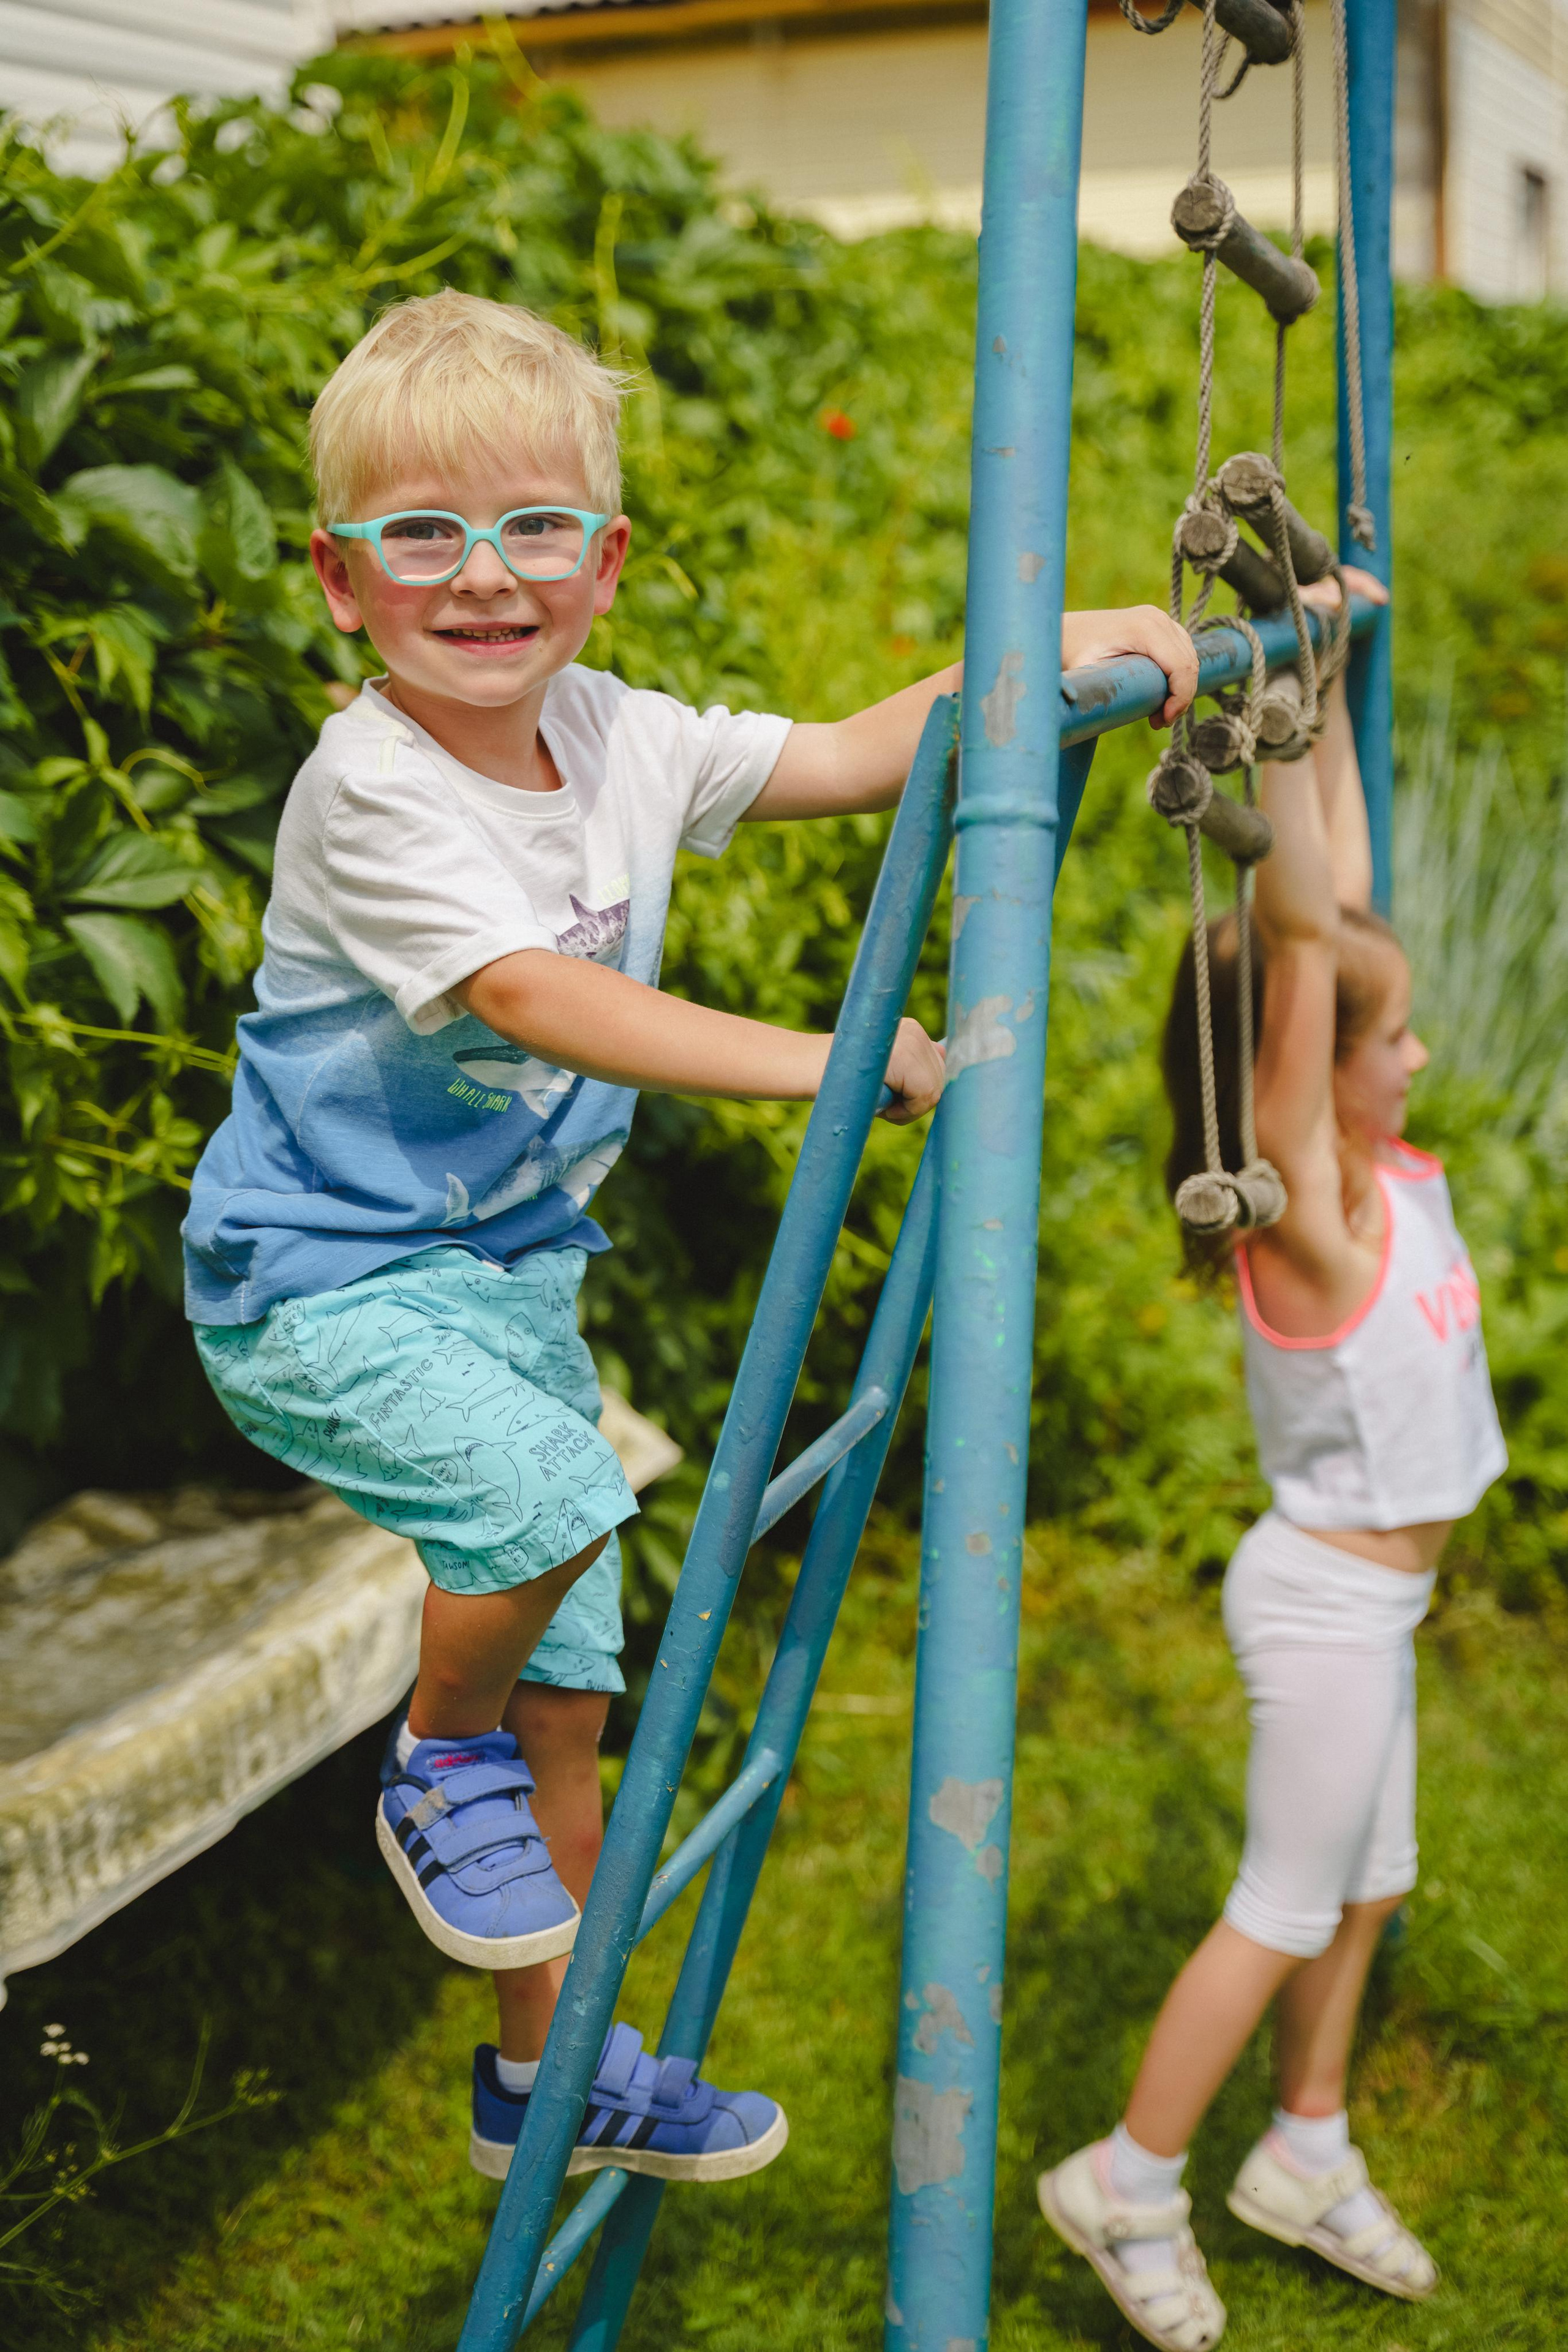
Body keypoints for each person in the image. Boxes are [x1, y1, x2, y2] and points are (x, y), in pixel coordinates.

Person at [182, 288, 1199, 2187]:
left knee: (576, 1691)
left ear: (607, 557)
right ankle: (430, 1764)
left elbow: (840, 751)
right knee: (553, 1503)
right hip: (321, 1284)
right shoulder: (373, 786)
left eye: (534, 527)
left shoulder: (620, 736)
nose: (483, 579)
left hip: (506, 1288)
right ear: (339, 580)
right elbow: (531, 1002)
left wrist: (1054, 652)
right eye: (422, 533)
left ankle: (544, 2080)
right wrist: (824, 1064)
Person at [1038, 568, 1506, 2351]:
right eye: (1392, 1043)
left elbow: (1345, 911)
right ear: (1311, 1076)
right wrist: (1281, 707)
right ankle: (1131, 2177)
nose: (1420, 1051)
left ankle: (1303, 2146)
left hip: (1371, 1610)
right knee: (1285, 1900)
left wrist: (1314, 669)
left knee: (1371, 1883)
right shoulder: (1307, 1212)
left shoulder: (1376, 1176)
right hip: (1321, 1604)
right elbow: (1309, 945)